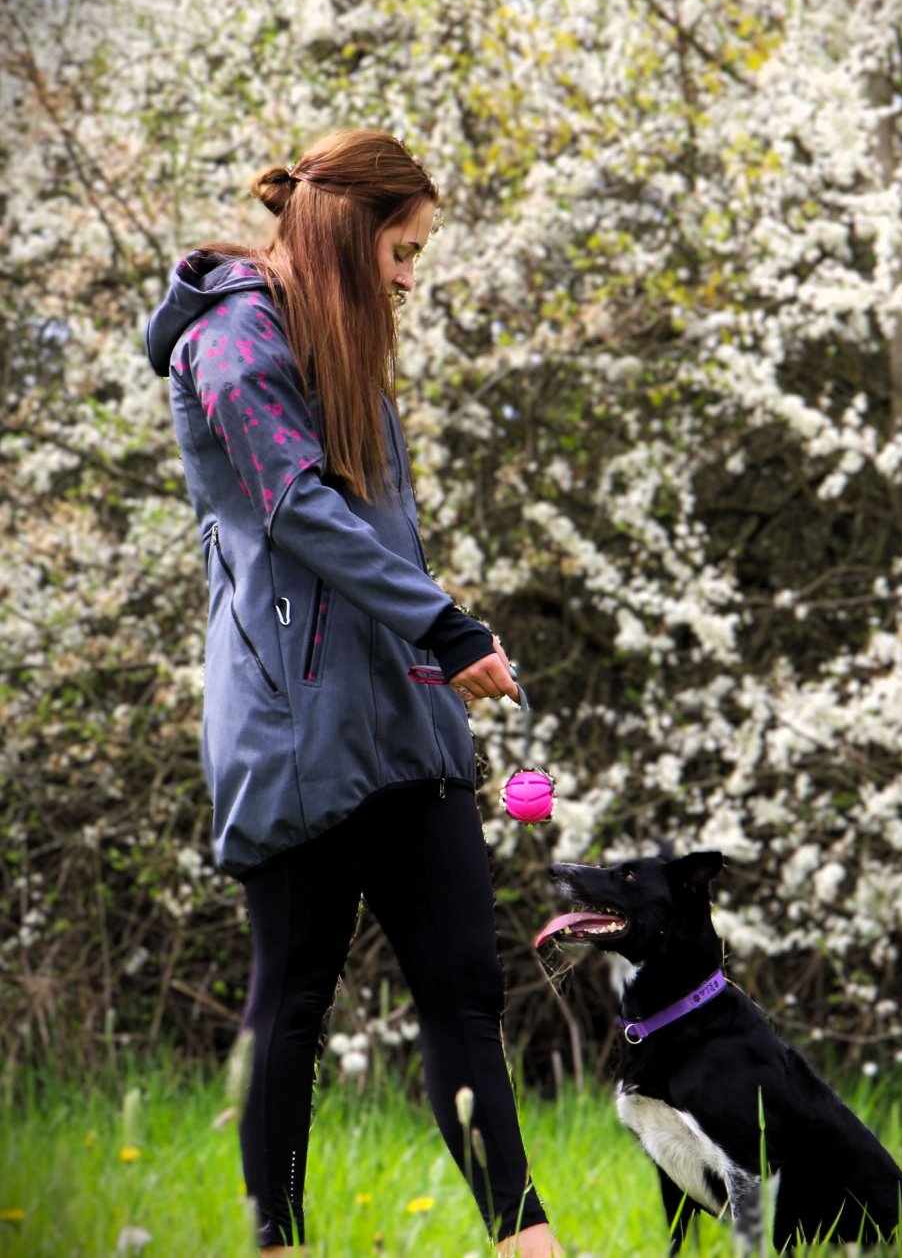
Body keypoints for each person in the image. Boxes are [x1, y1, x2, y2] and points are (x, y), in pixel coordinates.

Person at [144, 129, 564, 1257]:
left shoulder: (345, 343)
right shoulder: (229, 344)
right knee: (294, 1005)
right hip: (296, 728)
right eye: (403, 249)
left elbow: (380, 531)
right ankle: (277, 1246)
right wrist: (445, 622)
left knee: (466, 997)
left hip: (406, 718)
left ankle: (530, 1248)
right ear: (348, 230)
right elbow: (294, 507)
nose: (409, 277)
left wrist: (432, 652)